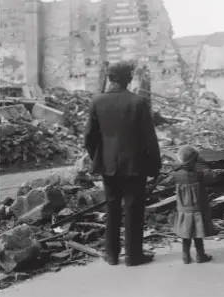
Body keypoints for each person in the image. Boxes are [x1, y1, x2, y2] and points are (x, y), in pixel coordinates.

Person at [84, 61, 161, 266]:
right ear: (129, 79)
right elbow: (149, 138)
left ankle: (111, 255)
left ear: (110, 78)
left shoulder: (97, 101)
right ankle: (133, 256)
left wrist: (98, 158)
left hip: (108, 166)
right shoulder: (138, 102)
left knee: (112, 208)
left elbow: (89, 137)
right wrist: (155, 165)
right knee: (134, 209)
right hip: (135, 165)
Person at [172, 145, 219, 264]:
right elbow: (213, 176)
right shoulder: (200, 174)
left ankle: (185, 256)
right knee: (198, 234)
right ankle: (200, 255)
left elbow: (165, 180)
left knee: (186, 234)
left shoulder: (176, 175)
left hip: (183, 210)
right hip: (197, 209)